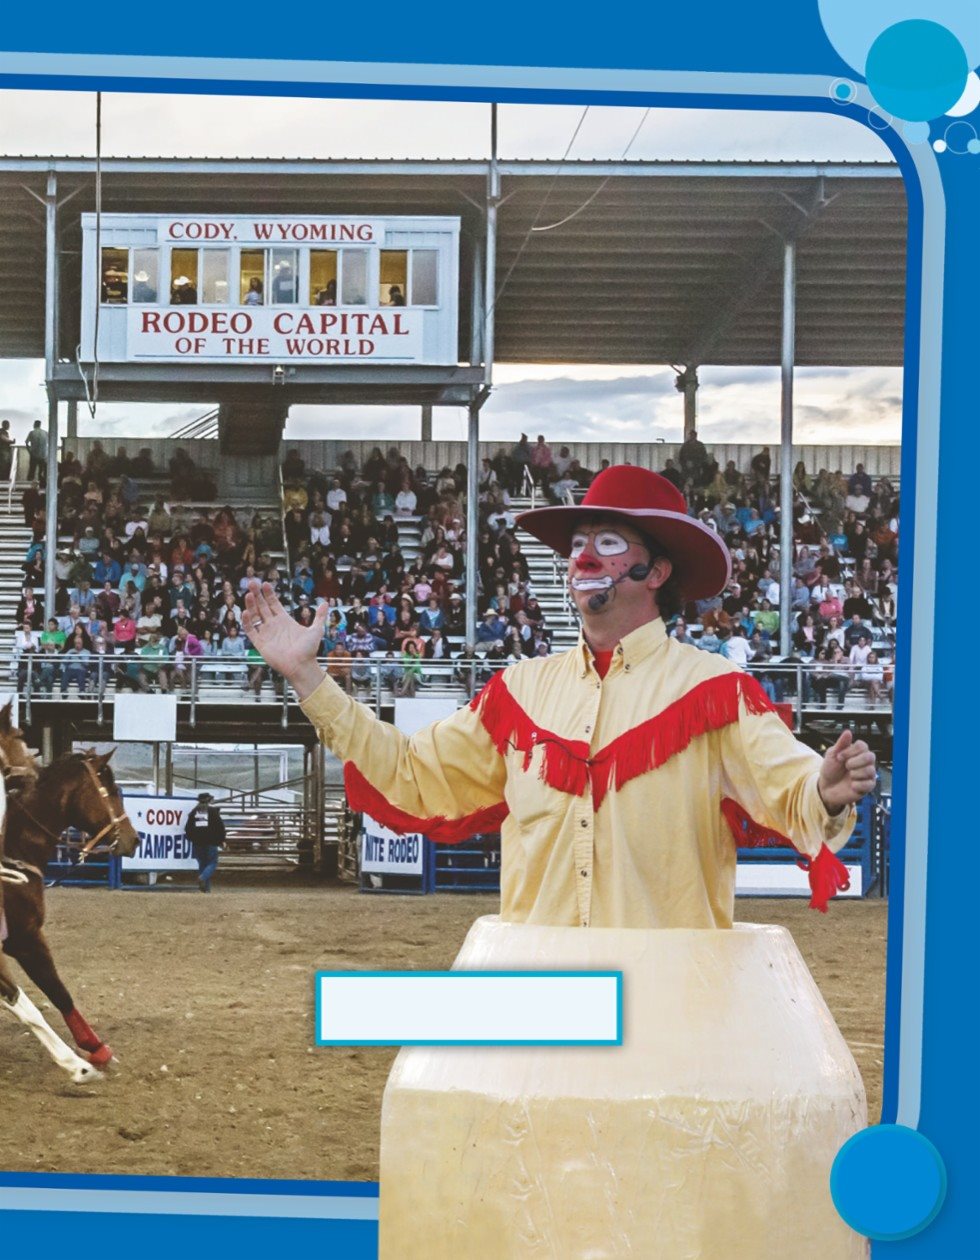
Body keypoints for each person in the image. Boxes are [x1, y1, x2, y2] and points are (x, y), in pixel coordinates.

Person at [243, 465, 875, 928]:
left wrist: (822, 790)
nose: (582, 559)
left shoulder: (716, 694)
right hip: (539, 1022)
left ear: (655, 573)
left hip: (664, 1024)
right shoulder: (519, 692)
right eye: (576, 545)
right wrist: (308, 677)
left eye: (606, 543)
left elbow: (789, 782)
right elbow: (411, 771)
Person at [184, 792, 226, 893]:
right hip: (211, 842)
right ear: (209, 800)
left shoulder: (193, 812)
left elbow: (187, 829)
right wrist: (221, 840)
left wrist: (192, 839)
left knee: (202, 864)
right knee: (212, 862)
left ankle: (206, 890)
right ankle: (203, 878)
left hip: (197, 843)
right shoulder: (213, 811)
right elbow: (220, 827)